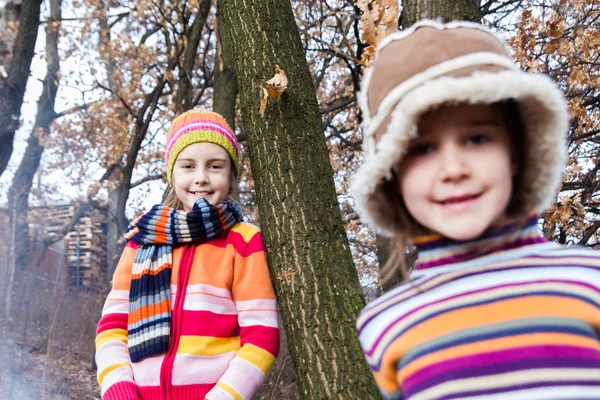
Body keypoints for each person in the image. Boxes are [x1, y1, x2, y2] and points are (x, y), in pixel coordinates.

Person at [352, 19, 600, 400]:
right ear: (391, 174)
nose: (453, 170)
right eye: (422, 148)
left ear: (516, 153)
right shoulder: (385, 324)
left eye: (477, 138)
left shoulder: (589, 281)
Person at [95, 110, 280, 400]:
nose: (201, 178)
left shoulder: (243, 241)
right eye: (188, 166)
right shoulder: (142, 241)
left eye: (215, 166)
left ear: (231, 175)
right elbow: (112, 327)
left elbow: (262, 335)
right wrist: (118, 388)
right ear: (173, 174)